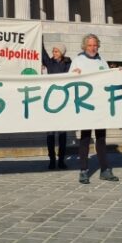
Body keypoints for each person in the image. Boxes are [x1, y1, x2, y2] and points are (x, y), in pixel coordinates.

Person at [69, 34, 119, 184]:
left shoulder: (102, 61)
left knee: (101, 139)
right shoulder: (77, 60)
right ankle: (84, 170)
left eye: (95, 45)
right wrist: (73, 75)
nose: (93, 48)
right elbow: (69, 80)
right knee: (85, 139)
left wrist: (117, 73)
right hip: (85, 106)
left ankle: (105, 169)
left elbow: (108, 79)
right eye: (90, 45)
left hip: (100, 106)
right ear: (84, 46)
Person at [42, 42, 71, 170]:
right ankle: (52, 159)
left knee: (62, 134)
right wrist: (40, 38)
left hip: (63, 101)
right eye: (53, 51)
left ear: (62, 53)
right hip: (50, 100)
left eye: (56, 51)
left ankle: (61, 160)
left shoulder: (68, 64)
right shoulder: (50, 63)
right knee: (50, 134)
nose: (54, 53)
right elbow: (43, 53)